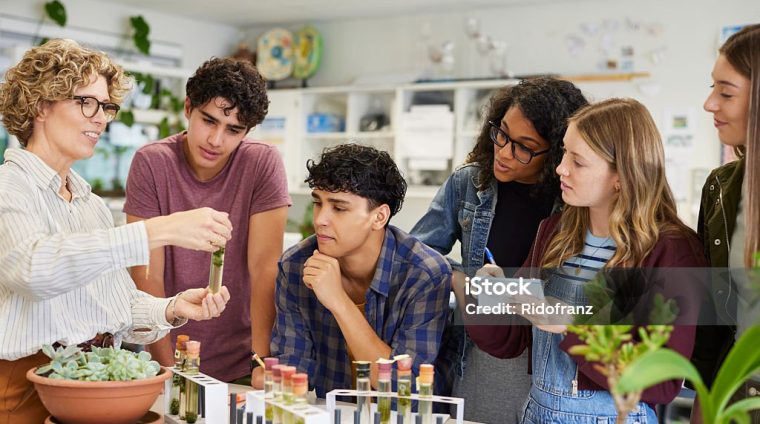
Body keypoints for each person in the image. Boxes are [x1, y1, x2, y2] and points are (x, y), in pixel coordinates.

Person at [0, 39, 232, 424]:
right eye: (86, 102)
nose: (101, 118)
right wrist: (157, 231)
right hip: (26, 388)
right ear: (42, 104)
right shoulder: (9, 187)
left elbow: (117, 308)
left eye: (106, 106)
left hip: (94, 380)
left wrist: (173, 307)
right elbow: (33, 269)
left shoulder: (88, 203)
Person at [466, 98, 707, 422]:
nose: (560, 168)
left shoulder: (671, 251)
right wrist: (490, 294)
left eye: (577, 162)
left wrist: (572, 325)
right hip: (537, 412)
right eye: (564, 152)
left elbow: (662, 383)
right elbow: (511, 338)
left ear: (621, 175)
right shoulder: (553, 232)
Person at [410, 78, 588, 423]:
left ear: (556, 155)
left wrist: (496, 291)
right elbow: (421, 251)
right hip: (480, 352)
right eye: (502, 133)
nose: (504, 152)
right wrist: (459, 280)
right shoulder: (470, 183)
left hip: (546, 358)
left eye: (524, 146)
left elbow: (572, 296)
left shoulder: (573, 201)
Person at [124, 57, 290, 383]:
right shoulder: (152, 163)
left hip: (244, 360)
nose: (216, 140)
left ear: (248, 131)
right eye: (209, 120)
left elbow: (264, 270)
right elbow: (147, 275)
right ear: (188, 107)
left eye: (233, 130)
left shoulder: (262, 163)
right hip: (169, 357)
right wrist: (169, 368)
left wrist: (261, 362)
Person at [258, 144, 452, 396]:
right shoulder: (296, 265)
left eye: (339, 208)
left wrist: (338, 301)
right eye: (318, 203)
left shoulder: (425, 274)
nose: (320, 219)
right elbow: (293, 375)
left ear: (379, 217)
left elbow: (405, 391)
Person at [691, 23, 760, 423]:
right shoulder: (721, 187)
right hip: (736, 398)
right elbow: (713, 322)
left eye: (726, 92)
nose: (709, 104)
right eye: (712, 87)